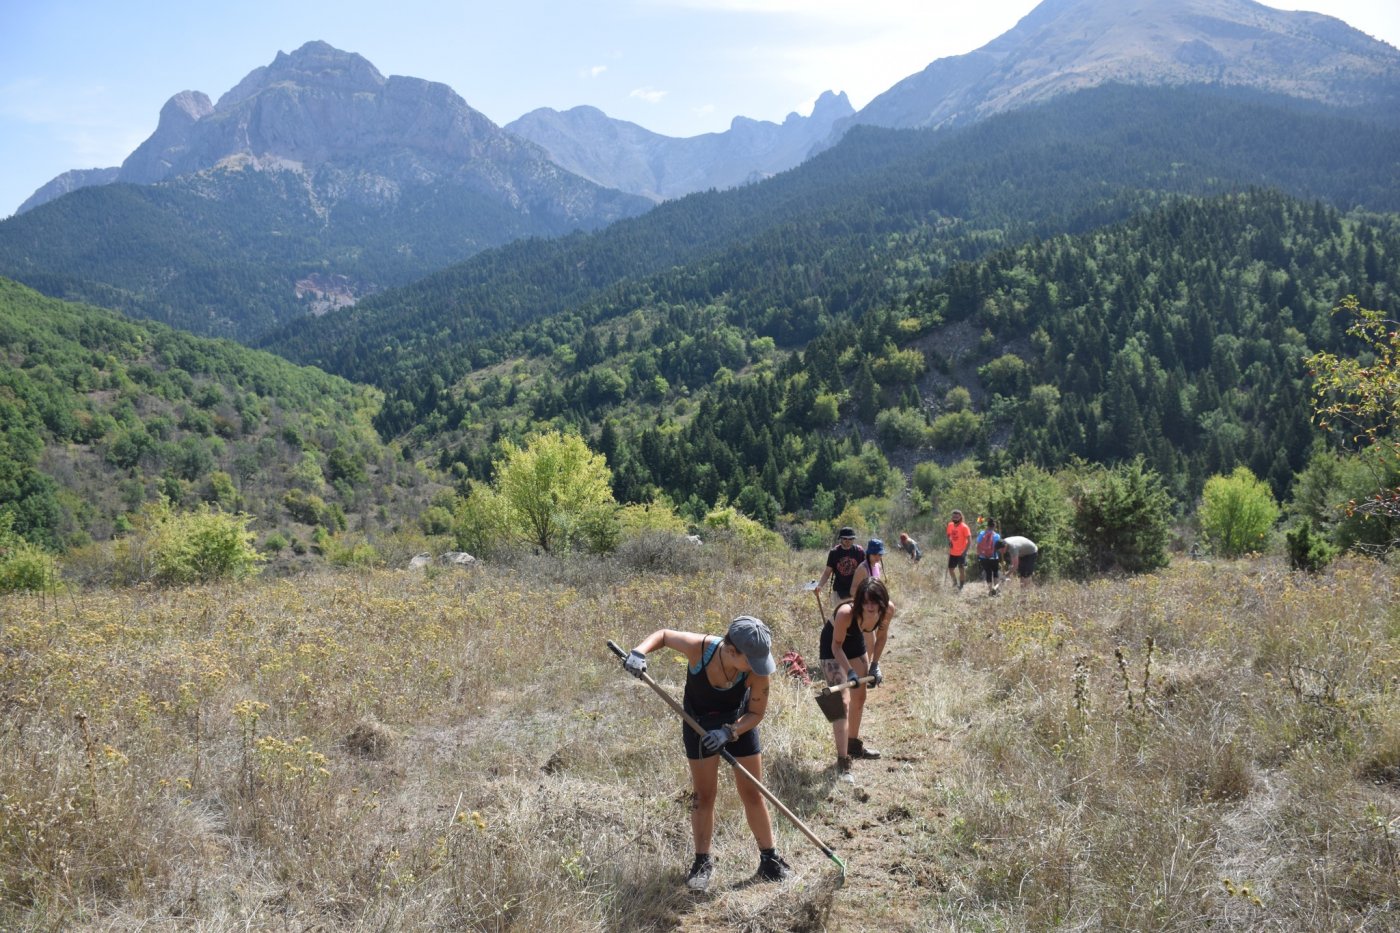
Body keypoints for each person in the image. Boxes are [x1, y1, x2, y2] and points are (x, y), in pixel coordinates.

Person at [623, 617, 792, 890]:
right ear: (730, 650)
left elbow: (756, 712)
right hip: (697, 724)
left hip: (739, 722)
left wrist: (729, 732)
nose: (759, 667)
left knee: (753, 792)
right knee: (704, 796)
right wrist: (639, 652)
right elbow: (664, 635)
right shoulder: (701, 649)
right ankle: (702, 862)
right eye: (751, 660)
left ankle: (769, 859)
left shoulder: (757, 668)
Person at [819, 578, 895, 782]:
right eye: (866, 602)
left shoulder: (888, 610)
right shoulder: (846, 613)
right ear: (859, 600)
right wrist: (850, 671)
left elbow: (881, 637)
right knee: (840, 702)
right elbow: (836, 647)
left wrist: (875, 665)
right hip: (833, 646)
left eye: (875, 602)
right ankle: (843, 762)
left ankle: (853, 746)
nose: (870, 607)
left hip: (856, 644)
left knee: (859, 697)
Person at [815, 526, 865, 612]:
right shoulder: (834, 552)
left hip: (856, 589)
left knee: (856, 615)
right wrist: (820, 585)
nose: (848, 541)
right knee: (840, 615)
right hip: (839, 590)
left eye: (851, 539)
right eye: (845, 539)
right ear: (840, 539)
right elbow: (827, 572)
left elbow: (866, 570)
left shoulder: (859, 551)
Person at [945, 510, 971, 590]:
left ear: (960, 517)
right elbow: (949, 535)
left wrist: (965, 552)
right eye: (953, 516)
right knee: (950, 569)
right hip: (952, 552)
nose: (955, 518)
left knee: (961, 569)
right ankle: (955, 582)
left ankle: (961, 586)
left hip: (961, 552)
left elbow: (969, 541)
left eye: (956, 517)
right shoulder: (950, 525)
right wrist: (950, 540)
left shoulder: (964, 527)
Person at [975, 518, 1002, 595]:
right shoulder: (997, 535)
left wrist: (979, 554)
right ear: (994, 526)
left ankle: (990, 590)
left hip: (983, 557)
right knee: (995, 573)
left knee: (988, 573)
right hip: (994, 557)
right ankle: (996, 589)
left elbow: (978, 545)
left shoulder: (981, 533)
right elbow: (999, 547)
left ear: (987, 525)